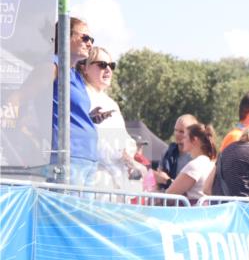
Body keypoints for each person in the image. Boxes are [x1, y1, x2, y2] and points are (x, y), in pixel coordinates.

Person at [79, 47, 145, 194]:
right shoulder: (83, 98)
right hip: (95, 178)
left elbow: (125, 138)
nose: (108, 69)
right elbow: (91, 138)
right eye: (102, 65)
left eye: (111, 65)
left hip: (117, 180)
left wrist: (127, 152)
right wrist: (120, 154)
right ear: (85, 68)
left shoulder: (111, 103)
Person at [51, 17, 99, 186]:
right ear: (66, 36)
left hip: (87, 157)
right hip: (68, 156)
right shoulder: (53, 65)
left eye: (91, 40)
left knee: (81, 213)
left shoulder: (76, 76)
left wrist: (89, 118)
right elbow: (23, 99)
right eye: (85, 38)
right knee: (66, 212)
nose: (90, 44)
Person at [164, 123, 217, 203]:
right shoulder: (210, 163)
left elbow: (168, 196)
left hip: (190, 213)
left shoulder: (195, 165)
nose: (182, 140)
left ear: (194, 140)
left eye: (185, 137)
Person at [155, 114, 197, 190]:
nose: (177, 134)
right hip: (165, 199)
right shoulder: (167, 152)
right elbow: (158, 178)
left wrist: (167, 181)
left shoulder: (195, 158)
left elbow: (188, 189)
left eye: (181, 131)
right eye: (176, 130)